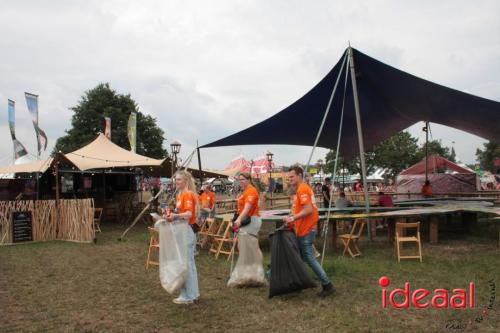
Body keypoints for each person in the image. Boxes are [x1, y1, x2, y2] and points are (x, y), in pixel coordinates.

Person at [282, 166, 335, 298]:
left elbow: (308, 210)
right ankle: (297, 284)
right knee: (299, 258)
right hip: (303, 228)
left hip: (306, 229)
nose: (290, 179)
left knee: (309, 258)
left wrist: (292, 217)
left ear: (300, 175)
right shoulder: (301, 189)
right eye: (289, 177)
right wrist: (292, 217)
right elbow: (301, 209)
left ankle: (327, 285)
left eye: (292, 176)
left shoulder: (303, 189)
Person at [165, 170, 199, 304]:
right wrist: (171, 216)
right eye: (175, 179)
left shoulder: (188, 194)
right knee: (188, 264)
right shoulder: (180, 195)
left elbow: (189, 214)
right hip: (183, 230)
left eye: (179, 179)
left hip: (186, 231)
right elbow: (182, 213)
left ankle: (189, 296)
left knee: (186, 264)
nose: (176, 182)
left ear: (185, 181)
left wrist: (175, 216)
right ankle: (192, 293)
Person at [228, 172, 265, 287]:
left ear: (249, 179)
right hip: (247, 220)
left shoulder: (251, 190)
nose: (240, 181)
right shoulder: (246, 191)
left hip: (251, 221)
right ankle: (253, 274)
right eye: (239, 180)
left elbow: (247, 208)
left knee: (251, 247)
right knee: (248, 247)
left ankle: (256, 274)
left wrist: (238, 220)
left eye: (243, 179)